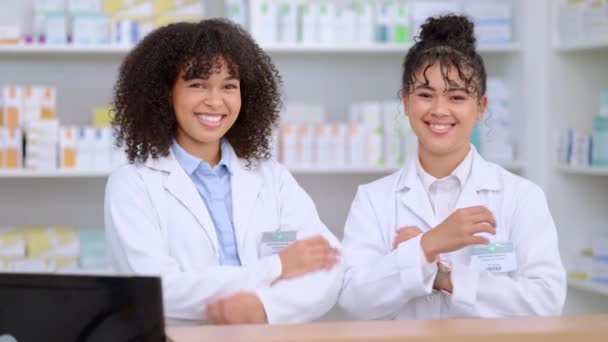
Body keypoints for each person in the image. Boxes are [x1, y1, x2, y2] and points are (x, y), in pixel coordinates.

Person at [105, 19, 343, 325]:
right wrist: (275, 268)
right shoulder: (133, 183)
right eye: (198, 85)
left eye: (229, 86)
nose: (216, 101)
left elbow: (327, 265)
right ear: (165, 93)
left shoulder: (273, 178)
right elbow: (156, 287)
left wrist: (264, 309)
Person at [338, 14, 566, 320]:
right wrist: (428, 244)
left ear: (481, 107)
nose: (439, 110)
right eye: (424, 95)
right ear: (406, 102)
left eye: (456, 96)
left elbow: (545, 301)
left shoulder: (521, 196)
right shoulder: (373, 199)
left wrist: (444, 278)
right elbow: (353, 297)